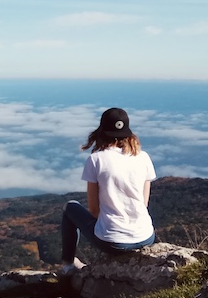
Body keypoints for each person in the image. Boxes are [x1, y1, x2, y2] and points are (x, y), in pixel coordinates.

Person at [58, 107, 156, 276]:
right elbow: (143, 204)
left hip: (112, 242)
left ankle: (67, 265)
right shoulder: (143, 157)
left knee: (70, 208)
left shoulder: (96, 160)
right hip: (146, 237)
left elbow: (94, 211)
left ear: (101, 131)